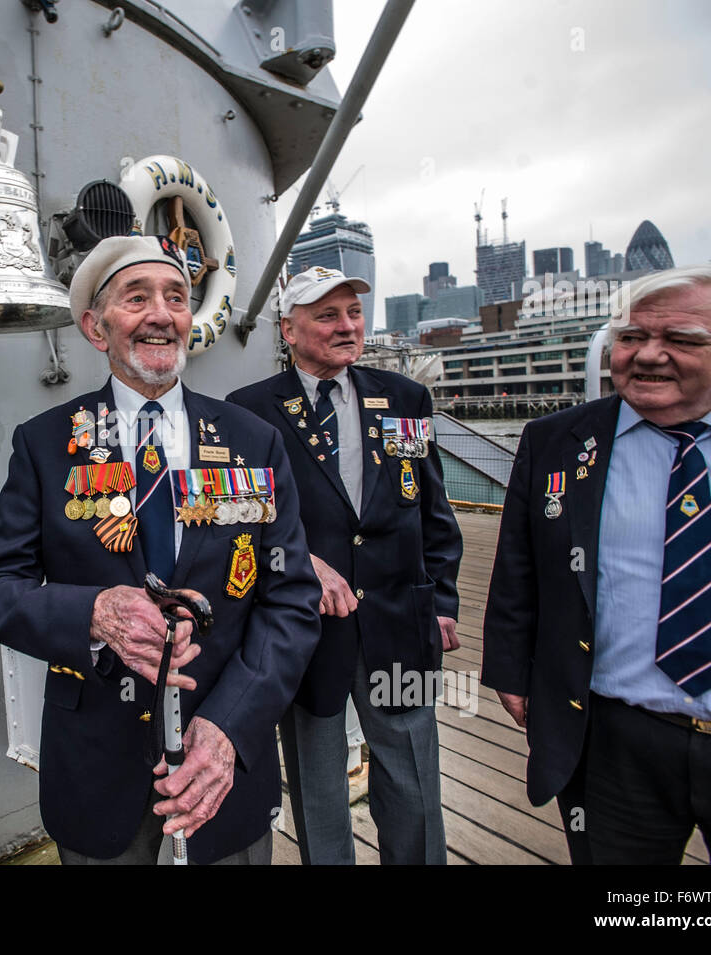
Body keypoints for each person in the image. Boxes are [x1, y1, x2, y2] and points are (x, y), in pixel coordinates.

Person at [0, 235, 321, 865]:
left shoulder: (253, 441)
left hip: (224, 758)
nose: (161, 313)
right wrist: (93, 612)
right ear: (96, 328)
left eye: (177, 297)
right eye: (137, 298)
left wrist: (229, 724)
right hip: (98, 760)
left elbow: (290, 599)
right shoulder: (46, 445)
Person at [482, 265, 711, 864]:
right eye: (630, 337)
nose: (648, 356)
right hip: (614, 738)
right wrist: (510, 673)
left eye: (683, 341)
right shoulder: (554, 442)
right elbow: (520, 568)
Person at [227, 266, 463, 865]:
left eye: (354, 314)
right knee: (319, 785)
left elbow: (433, 512)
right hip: (305, 627)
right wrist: (301, 559)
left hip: (401, 620)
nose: (347, 326)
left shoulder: (405, 398)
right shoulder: (246, 412)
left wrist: (441, 601)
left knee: (413, 777)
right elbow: (236, 522)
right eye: (328, 316)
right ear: (289, 329)